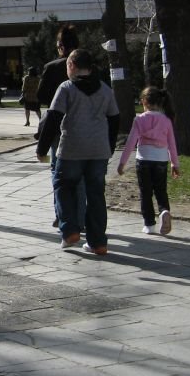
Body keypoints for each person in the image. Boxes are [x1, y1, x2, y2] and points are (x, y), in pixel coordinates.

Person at [37, 48, 120, 256]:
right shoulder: (104, 89)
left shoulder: (66, 88)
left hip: (72, 148)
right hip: (98, 150)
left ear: (72, 66)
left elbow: (53, 118)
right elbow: (115, 119)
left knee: (62, 186)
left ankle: (70, 231)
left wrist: (42, 148)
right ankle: (98, 242)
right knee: (95, 194)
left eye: (67, 66)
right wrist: (109, 147)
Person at [117, 86, 180, 235]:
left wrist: (122, 163)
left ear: (144, 101)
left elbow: (131, 142)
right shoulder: (167, 120)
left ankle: (149, 224)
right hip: (161, 160)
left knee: (145, 193)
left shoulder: (139, 119)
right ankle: (164, 210)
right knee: (161, 190)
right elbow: (172, 144)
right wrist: (174, 164)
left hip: (144, 160)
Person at [37, 24, 82, 227]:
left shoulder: (53, 68)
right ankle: (80, 216)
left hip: (58, 125)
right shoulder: (90, 66)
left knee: (58, 171)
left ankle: (61, 213)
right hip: (84, 125)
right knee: (81, 175)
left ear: (61, 46)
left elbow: (42, 96)